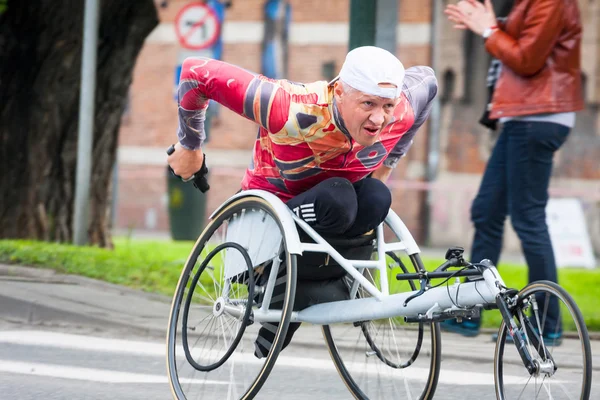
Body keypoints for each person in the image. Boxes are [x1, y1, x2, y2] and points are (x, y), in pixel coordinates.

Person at [167, 46, 438, 357]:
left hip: (336, 216)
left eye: (387, 105)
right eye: (368, 103)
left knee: (377, 196)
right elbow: (195, 71)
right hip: (268, 219)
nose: (379, 118)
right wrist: (190, 146)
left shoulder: (401, 110)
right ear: (339, 92)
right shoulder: (287, 106)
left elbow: (428, 83)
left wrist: (388, 165)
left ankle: (325, 284)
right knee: (338, 197)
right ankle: (283, 289)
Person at [443, 0, 584, 343]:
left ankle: (546, 324)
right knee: (487, 210)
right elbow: (526, 34)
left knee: (527, 218)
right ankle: (471, 311)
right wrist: (491, 24)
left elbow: (528, 58)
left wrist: (490, 30)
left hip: (537, 117)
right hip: (522, 118)